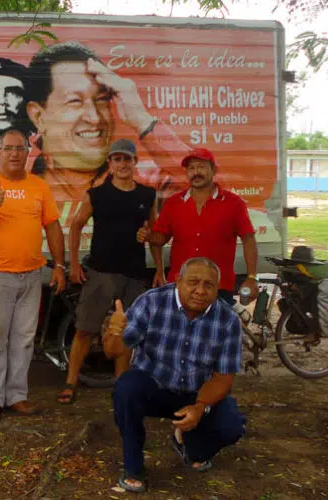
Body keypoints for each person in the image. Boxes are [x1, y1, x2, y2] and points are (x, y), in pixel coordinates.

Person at [106, 257, 247, 493]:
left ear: (217, 289)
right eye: (193, 282)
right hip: (154, 386)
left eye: (209, 285)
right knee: (126, 389)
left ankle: (188, 444)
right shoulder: (151, 302)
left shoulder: (228, 320)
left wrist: (200, 406)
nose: (200, 291)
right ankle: (133, 466)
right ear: (178, 281)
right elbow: (113, 351)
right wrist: (115, 332)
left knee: (232, 426)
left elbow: (223, 378)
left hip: (195, 393)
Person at [0, 128, 66, 421]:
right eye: (8, 148)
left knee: (23, 339)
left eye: (20, 148)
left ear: (28, 153)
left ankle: (17, 396)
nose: (14, 154)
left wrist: (59, 266)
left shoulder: (38, 186)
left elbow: (53, 226)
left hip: (31, 275)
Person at [56, 139, 163, 405]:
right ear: (110, 164)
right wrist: (74, 264)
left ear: (135, 162)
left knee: (126, 333)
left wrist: (159, 269)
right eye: (117, 159)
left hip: (134, 273)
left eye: (127, 159)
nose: (123, 164)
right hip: (100, 273)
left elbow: (154, 234)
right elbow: (76, 225)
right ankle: (70, 383)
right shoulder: (97, 194)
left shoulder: (147, 195)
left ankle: (121, 387)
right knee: (85, 329)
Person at [25, 41, 190, 205]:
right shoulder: (21, 185)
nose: (95, 118)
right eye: (75, 101)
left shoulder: (146, 181)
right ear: (38, 116)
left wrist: (142, 121)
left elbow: (201, 187)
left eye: (102, 99)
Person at [139, 147, 258, 305]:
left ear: (213, 170)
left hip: (218, 286)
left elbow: (249, 240)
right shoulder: (173, 203)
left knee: (217, 323)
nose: (196, 172)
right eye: (191, 168)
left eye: (201, 167)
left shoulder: (234, 203)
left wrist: (252, 277)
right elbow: (160, 239)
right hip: (181, 285)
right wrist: (149, 237)